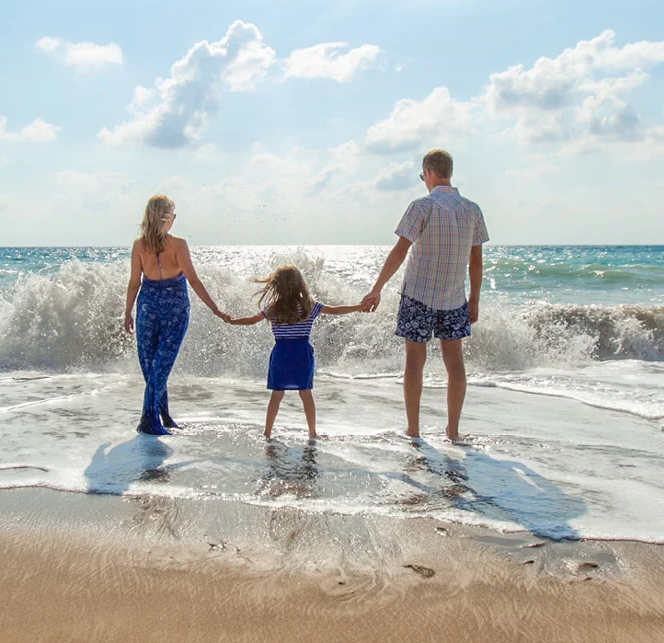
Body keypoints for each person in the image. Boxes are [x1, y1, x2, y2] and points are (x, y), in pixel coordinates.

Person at [362, 149, 489, 443]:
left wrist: (377, 287)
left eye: (423, 176)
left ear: (429, 173)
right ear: (450, 173)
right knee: (455, 365)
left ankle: (414, 430)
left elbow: (399, 251)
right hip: (455, 298)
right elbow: (477, 262)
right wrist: (475, 300)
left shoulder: (422, 207)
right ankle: (453, 431)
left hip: (418, 295)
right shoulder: (472, 209)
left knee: (414, 362)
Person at [124, 194, 228, 435]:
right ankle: (151, 419)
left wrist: (128, 312)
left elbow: (134, 283)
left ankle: (161, 416)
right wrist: (214, 308)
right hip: (175, 309)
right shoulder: (178, 244)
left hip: (148, 307)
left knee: (153, 366)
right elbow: (192, 279)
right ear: (169, 218)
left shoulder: (140, 245)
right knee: (159, 366)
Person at [228, 265, 365, 440]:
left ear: (277, 285)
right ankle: (312, 432)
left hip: (281, 354)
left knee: (276, 395)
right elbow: (335, 310)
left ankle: (267, 432)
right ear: (300, 284)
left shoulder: (273, 308)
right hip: (302, 355)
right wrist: (359, 307)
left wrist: (232, 321)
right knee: (305, 394)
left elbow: (252, 320)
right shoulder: (309, 306)